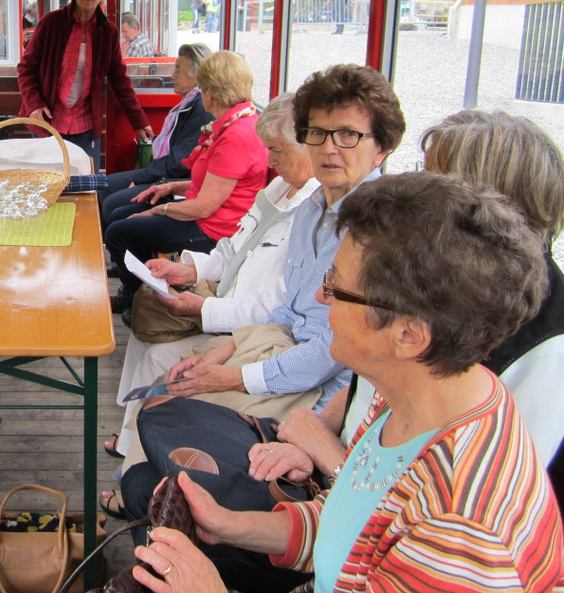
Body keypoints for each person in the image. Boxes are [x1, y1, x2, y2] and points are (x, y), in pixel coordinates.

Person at [128, 172, 564, 593]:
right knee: (145, 487)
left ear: (408, 335)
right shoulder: (410, 396)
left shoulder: (459, 529)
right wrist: (227, 524)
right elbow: (353, 521)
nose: (320, 296)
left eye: (336, 285)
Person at [120, 66, 406, 565]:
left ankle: (174, 545)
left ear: (381, 148)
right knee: (167, 398)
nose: (329, 148)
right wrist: (229, 350)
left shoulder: (380, 229)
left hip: (322, 392)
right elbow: (287, 309)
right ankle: (161, 530)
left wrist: (234, 376)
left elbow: (333, 354)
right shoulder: (313, 208)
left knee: (172, 410)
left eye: (348, 135)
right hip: (277, 346)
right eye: (317, 133)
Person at [251, 110, 564, 489]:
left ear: (482, 214)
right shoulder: (434, 280)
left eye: (431, 182)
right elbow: (376, 385)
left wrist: (328, 457)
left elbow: (476, 499)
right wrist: (319, 428)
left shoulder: (546, 348)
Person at [106, 93, 318, 461]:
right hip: (227, 298)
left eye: (277, 150)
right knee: (145, 330)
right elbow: (232, 249)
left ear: (310, 144)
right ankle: (131, 441)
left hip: (252, 329)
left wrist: (204, 309)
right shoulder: (279, 189)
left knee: (159, 356)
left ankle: (140, 453)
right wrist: (190, 269)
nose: (270, 161)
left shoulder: (313, 213)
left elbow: (277, 307)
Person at [104, 51, 268, 319]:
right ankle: (142, 291)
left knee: (119, 232)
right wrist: (172, 188)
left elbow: (203, 207)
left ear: (211, 92)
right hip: (205, 215)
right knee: (120, 215)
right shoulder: (233, 123)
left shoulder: (236, 136)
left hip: (213, 231)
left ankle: (143, 302)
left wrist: (157, 210)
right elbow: (213, 181)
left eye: (202, 87)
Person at [17, 0, 152, 165]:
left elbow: (119, 79)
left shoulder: (108, 32)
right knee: (47, 181)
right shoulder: (51, 23)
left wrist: (139, 121)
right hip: (48, 120)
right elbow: (26, 69)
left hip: (84, 126)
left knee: (85, 181)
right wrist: (34, 105)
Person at [100, 43, 214, 236]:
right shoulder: (188, 104)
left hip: (176, 180)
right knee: (106, 185)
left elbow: (179, 163)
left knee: (113, 204)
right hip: (166, 172)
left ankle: (118, 247)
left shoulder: (201, 110)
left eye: (178, 70)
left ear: (198, 76)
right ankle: (106, 244)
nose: (172, 76)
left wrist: (141, 178)